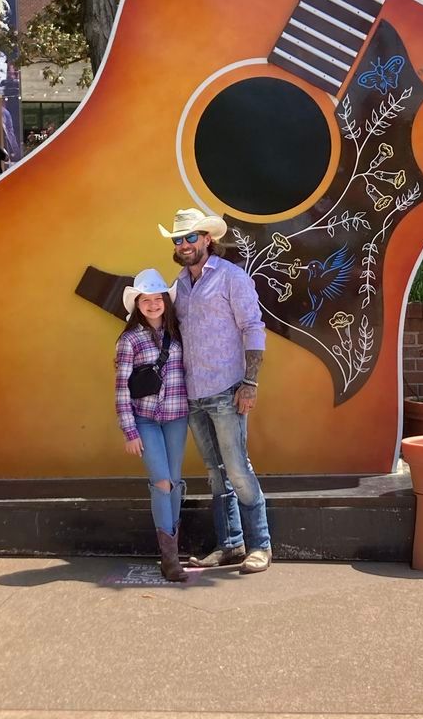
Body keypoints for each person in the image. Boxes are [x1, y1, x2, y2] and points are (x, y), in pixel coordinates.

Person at [158, 207, 272, 574]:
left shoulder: (231, 277)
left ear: (208, 238)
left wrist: (250, 383)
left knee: (237, 468)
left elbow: (253, 328)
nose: (184, 244)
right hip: (193, 393)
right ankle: (231, 544)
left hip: (227, 389)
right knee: (214, 472)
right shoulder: (180, 284)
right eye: (179, 239)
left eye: (191, 237)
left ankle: (261, 544)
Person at [115, 269, 189, 582]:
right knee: (161, 481)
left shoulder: (179, 334)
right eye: (146, 300)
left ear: (165, 302)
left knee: (174, 481)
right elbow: (121, 388)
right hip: (145, 420)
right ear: (137, 304)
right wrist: (129, 431)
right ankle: (169, 558)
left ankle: (173, 551)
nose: (153, 305)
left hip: (176, 417)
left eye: (158, 299)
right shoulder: (129, 340)